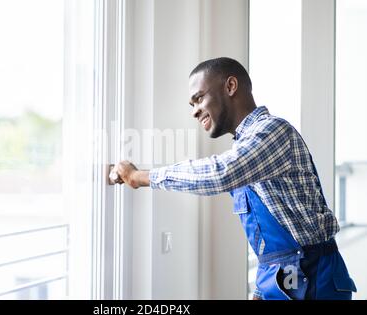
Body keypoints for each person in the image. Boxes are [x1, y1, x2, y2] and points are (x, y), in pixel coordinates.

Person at [110, 57, 357, 300]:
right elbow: (269, 243)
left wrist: (139, 177)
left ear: (230, 86)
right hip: (282, 283)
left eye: (199, 98)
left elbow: (221, 173)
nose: (195, 111)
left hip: (316, 281)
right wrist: (262, 290)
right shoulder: (246, 149)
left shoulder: (274, 132)